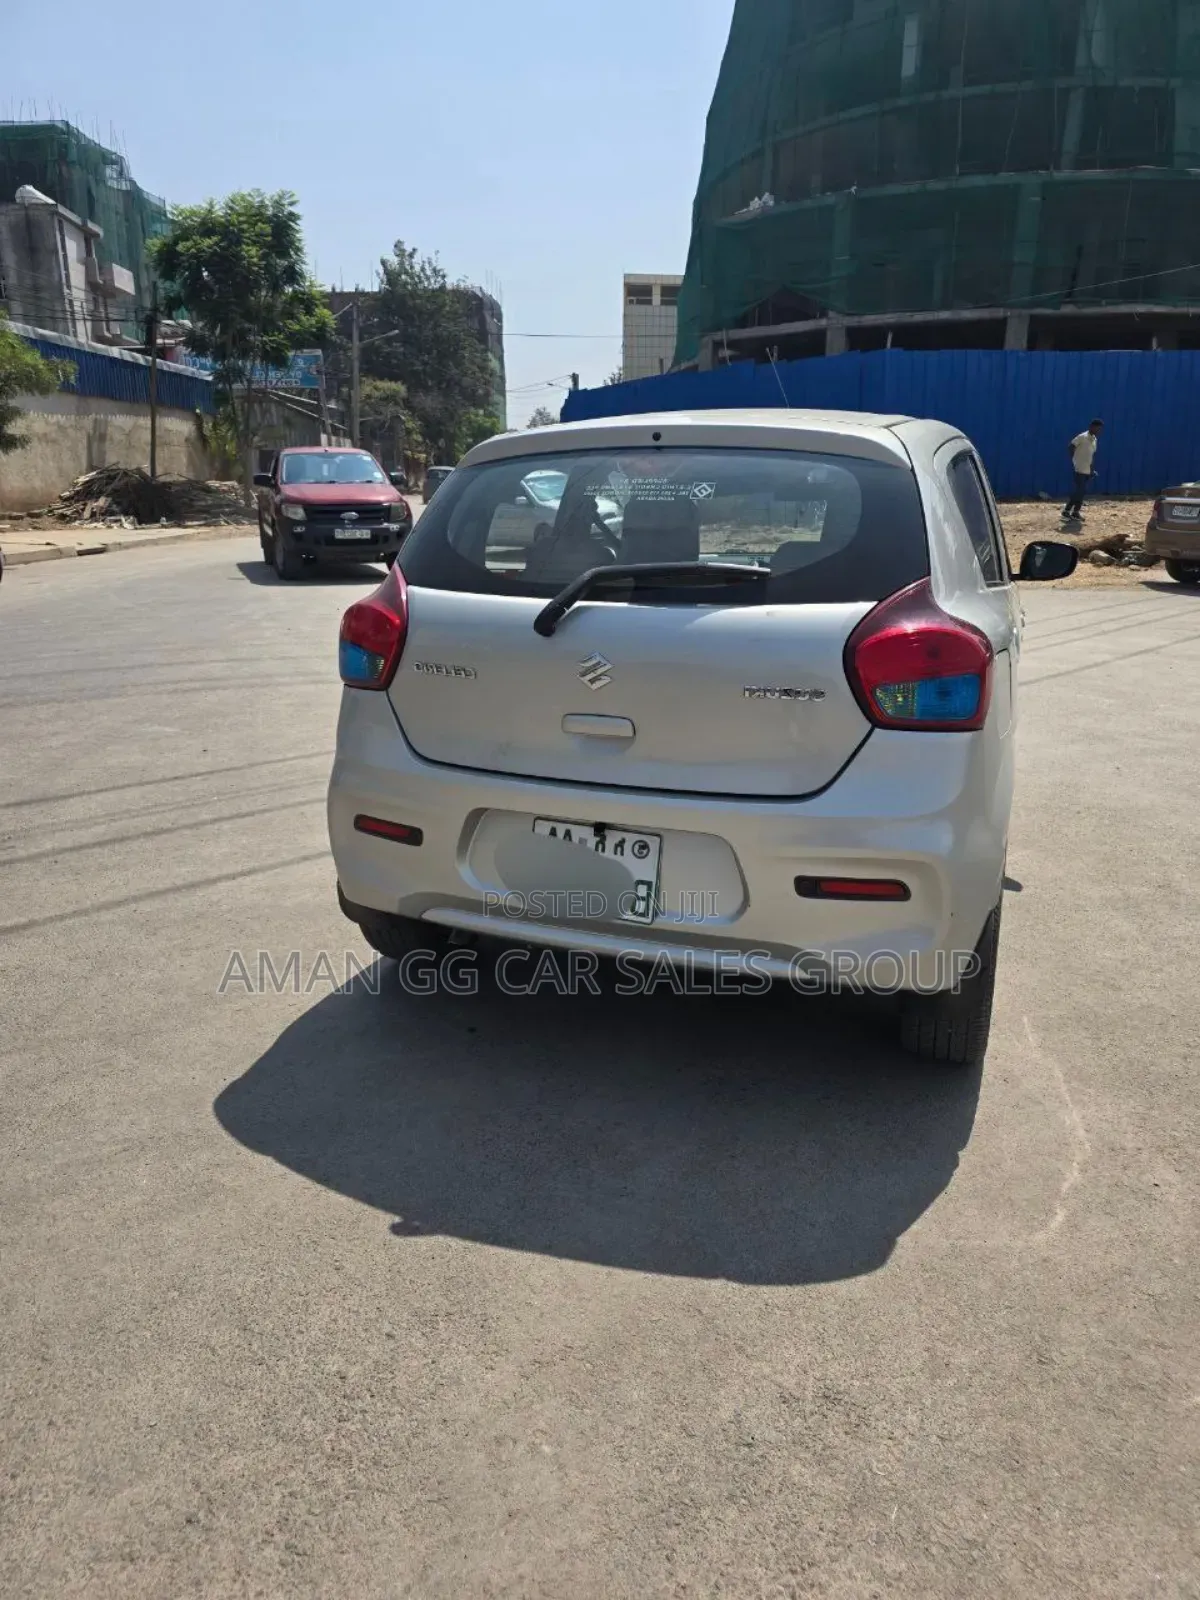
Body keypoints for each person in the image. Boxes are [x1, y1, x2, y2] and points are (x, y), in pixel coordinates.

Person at [1063, 419, 1104, 521]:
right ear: (1091, 427)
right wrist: (1074, 460)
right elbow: (1071, 446)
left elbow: (1091, 456)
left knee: (1080, 491)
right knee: (1081, 491)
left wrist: (1092, 470)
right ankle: (1071, 511)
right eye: (1097, 428)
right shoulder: (1082, 437)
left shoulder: (1094, 439)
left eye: (1099, 429)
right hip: (1079, 468)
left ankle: (1071, 511)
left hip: (1087, 469)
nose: (1098, 431)